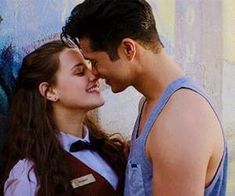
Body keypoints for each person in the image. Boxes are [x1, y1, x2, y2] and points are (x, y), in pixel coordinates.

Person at [61, 0, 228, 195]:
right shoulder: (152, 104)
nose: (94, 73)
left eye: (94, 62)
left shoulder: (180, 122)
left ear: (128, 49)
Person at [0, 40, 127, 196]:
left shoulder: (111, 149)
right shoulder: (29, 175)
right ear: (49, 92)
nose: (94, 75)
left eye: (89, 66)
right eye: (80, 72)